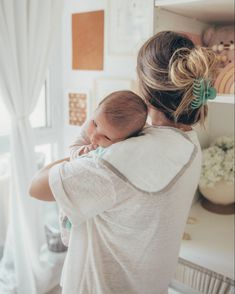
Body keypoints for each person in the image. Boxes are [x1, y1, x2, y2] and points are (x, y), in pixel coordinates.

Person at [29, 31, 217, 294]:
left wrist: (93, 126)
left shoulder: (123, 159)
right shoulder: (190, 142)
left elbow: (36, 187)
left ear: (144, 89)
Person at [60, 90, 148, 246]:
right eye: (95, 124)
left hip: (98, 195)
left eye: (106, 137)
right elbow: (73, 149)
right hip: (76, 179)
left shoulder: (124, 147)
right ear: (95, 112)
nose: (94, 136)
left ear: (125, 141)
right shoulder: (92, 122)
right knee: (69, 217)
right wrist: (85, 151)